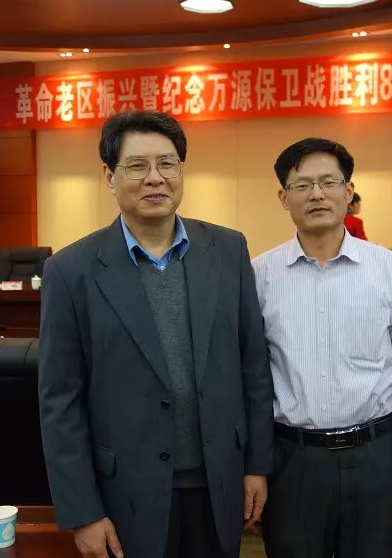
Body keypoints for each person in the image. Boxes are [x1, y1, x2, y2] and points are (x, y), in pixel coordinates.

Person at [38, 110, 274, 558]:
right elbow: (59, 403)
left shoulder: (228, 250)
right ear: (109, 177)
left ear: (181, 171)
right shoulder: (70, 271)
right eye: (137, 166)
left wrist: (257, 465)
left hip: (220, 484)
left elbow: (254, 366)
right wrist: (83, 511)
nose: (155, 178)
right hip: (125, 493)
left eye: (167, 163)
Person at [252, 138, 392, 558]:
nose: (317, 194)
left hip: (376, 459)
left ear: (348, 191)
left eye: (329, 182)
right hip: (293, 461)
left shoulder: (390, 270)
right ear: (283, 197)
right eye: (302, 185)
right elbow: (250, 379)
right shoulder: (259, 276)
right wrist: (254, 467)